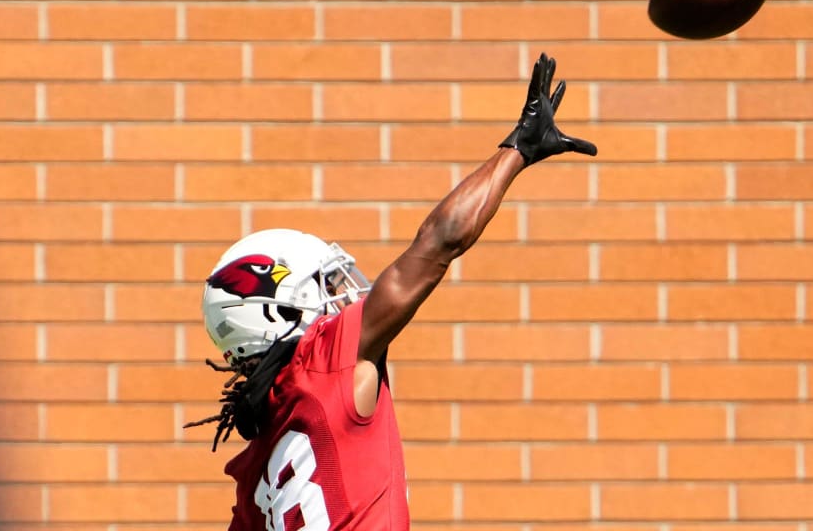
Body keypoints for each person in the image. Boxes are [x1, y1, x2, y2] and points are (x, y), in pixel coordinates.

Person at [186, 53, 597, 531]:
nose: (343, 295)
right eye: (326, 285)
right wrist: (519, 149)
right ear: (277, 311)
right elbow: (439, 242)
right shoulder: (324, 363)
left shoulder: (256, 465)